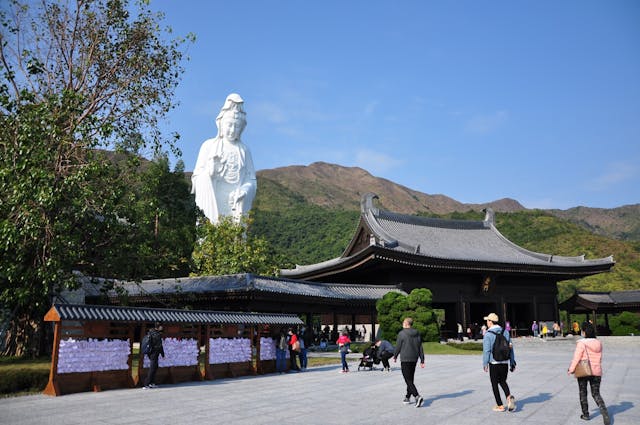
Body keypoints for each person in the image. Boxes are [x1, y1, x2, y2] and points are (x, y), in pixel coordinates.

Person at [191, 93, 256, 224]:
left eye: (237, 126)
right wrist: (209, 172)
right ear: (221, 124)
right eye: (229, 125)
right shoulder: (209, 146)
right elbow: (196, 178)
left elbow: (252, 181)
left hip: (236, 204)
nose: (232, 130)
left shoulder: (244, 150)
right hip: (213, 200)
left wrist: (245, 190)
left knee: (234, 240)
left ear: (242, 128)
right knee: (212, 234)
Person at [567, 321, 610, 425]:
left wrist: (571, 369)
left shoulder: (581, 343)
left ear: (584, 332)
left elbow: (576, 358)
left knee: (583, 393)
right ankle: (604, 412)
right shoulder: (598, 343)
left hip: (584, 370)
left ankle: (586, 414)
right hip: (596, 371)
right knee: (596, 393)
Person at [482, 313, 516, 412]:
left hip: (494, 362)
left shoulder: (488, 334)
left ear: (491, 322)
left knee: (494, 383)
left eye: (487, 320)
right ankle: (509, 398)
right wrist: (512, 361)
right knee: (502, 381)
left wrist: (485, 363)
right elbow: (510, 347)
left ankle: (500, 405)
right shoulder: (505, 332)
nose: (487, 322)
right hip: (505, 361)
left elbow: (486, 351)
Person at [393, 317, 425, 407]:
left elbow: (398, 346)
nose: (402, 324)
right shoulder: (417, 333)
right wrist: (422, 360)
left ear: (407, 324)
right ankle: (407, 397)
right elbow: (420, 347)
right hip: (414, 359)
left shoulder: (402, 333)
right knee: (410, 379)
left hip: (405, 359)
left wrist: (395, 356)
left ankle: (417, 396)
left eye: (403, 322)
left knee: (408, 379)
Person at [143, 322, 165, 389]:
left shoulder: (151, 332)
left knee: (155, 367)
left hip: (150, 353)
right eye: (161, 326)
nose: (162, 328)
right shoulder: (157, 334)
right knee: (152, 368)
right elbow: (159, 346)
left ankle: (152, 383)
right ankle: (146, 384)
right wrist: (162, 354)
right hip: (154, 353)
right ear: (159, 327)